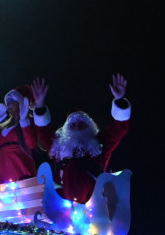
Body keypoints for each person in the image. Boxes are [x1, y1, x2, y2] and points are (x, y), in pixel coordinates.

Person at [33, 74, 132, 204]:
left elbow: (119, 128)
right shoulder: (59, 146)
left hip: (93, 194)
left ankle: (76, 213)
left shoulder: (99, 143)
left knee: (72, 169)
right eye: (73, 125)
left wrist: (119, 100)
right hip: (63, 194)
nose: (77, 126)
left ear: (89, 127)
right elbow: (44, 130)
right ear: (66, 130)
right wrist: (39, 105)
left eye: (82, 124)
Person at [0, 85, 39, 184]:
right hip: (5, 174)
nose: (8, 105)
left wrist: (24, 120)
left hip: (23, 173)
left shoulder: (30, 122)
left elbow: (32, 144)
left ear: (21, 102)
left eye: (11, 101)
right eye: (7, 102)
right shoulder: (3, 126)